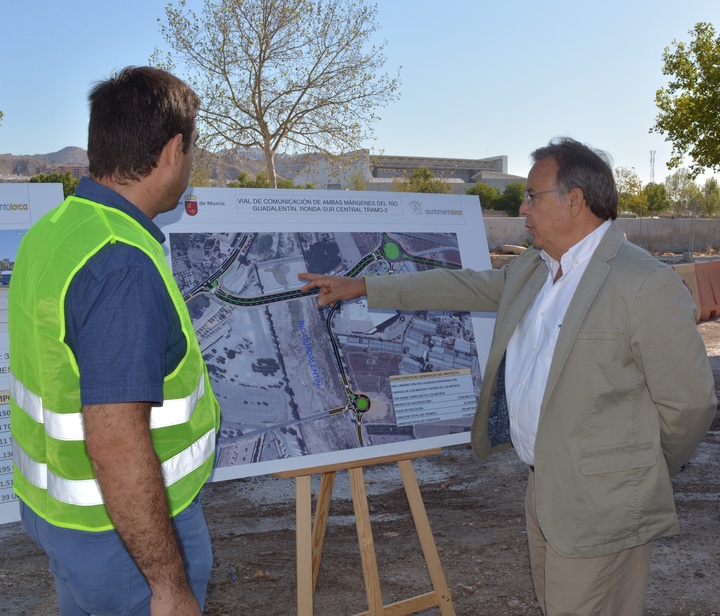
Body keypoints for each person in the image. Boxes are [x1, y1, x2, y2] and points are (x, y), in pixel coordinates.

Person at [298, 137, 717, 615]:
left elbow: (691, 404)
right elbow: (461, 285)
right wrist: (364, 285)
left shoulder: (642, 282)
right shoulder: (537, 269)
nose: (523, 208)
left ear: (574, 200)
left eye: (532, 196)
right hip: (545, 490)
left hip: (603, 502)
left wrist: (636, 469)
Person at [9, 66, 220, 616]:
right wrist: (169, 586)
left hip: (70, 525)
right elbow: (117, 443)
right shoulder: (121, 264)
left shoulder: (57, 229)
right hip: (128, 542)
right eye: (193, 149)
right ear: (174, 150)